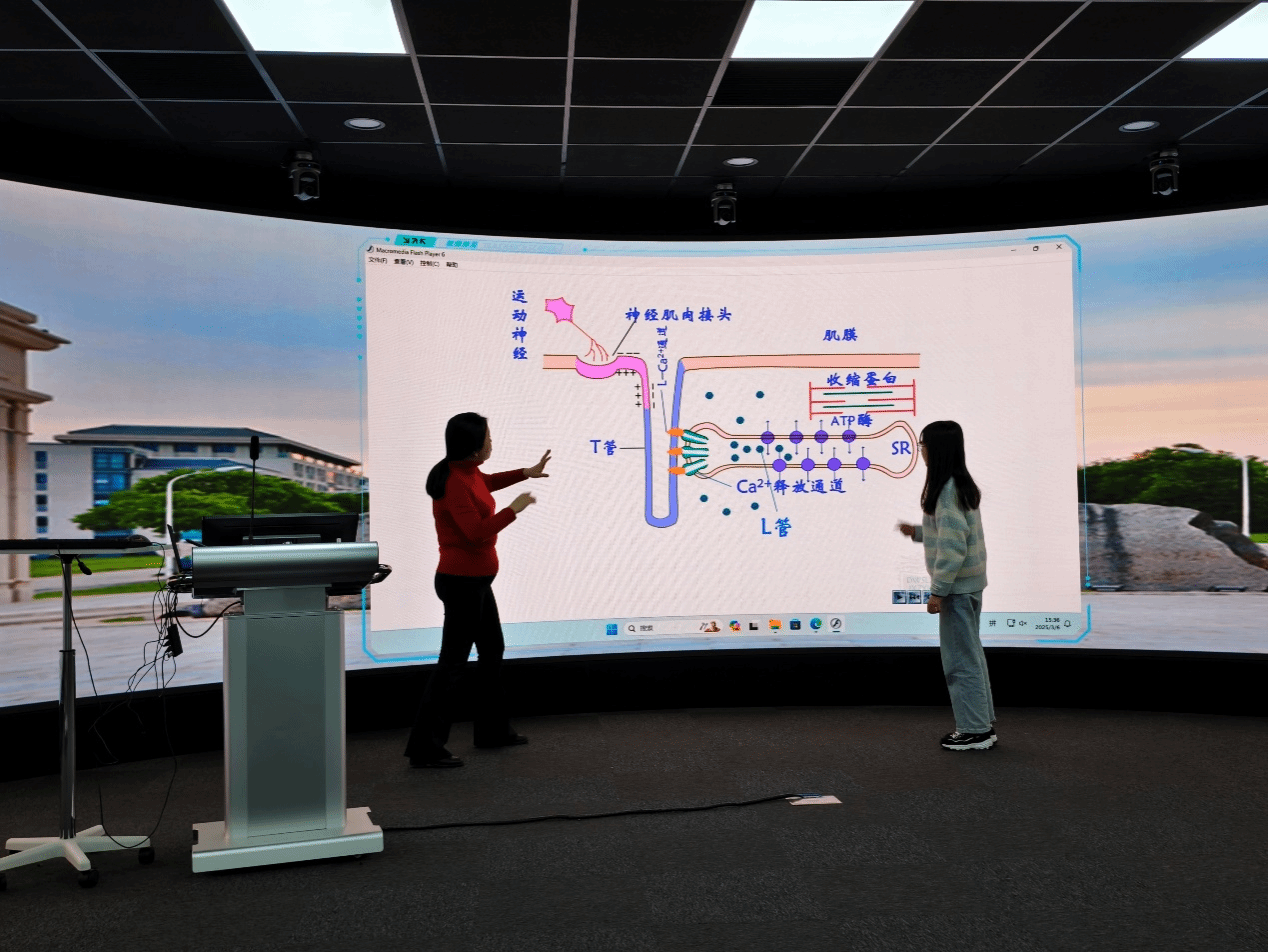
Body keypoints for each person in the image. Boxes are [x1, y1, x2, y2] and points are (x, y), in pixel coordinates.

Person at [404, 412, 551, 768]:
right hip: (461, 582)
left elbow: (487, 482)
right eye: (488, 438)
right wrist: (514, 509)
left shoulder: (466, 472)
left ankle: (492, 731)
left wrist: (525, 472)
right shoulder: (454, 482)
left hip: (477, 581)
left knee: (492, 649)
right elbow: (476, 534)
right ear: (472, 447)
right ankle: (425, 748)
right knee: (453, 664)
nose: (491, 443)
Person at [896, 420, 996, 751]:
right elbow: (951, 533)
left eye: (922, 445)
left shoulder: (946, 490)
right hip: (970, 585)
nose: (921, 451)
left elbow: (953, 549)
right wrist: (918, 532)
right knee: (971, 654)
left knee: (960, 661)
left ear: (936, 449)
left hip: (956, 590)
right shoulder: (959, 485)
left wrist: (937, 591)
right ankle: (982, 724)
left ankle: (974, 730)